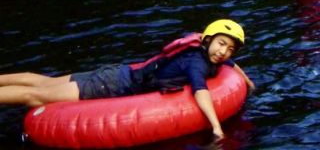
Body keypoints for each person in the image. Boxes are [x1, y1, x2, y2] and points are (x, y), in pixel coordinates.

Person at [0, 20, 256, 141]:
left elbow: (227, 62)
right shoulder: (197, 63)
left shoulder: (202, 51)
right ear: (209, 40)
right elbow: (200, 91)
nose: (223, 52)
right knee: (33, 96)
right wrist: (216, 128)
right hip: (112, 85)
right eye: (221, 44)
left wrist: (246, 79)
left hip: (115, 73)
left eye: (230, 49)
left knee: (44, 82)